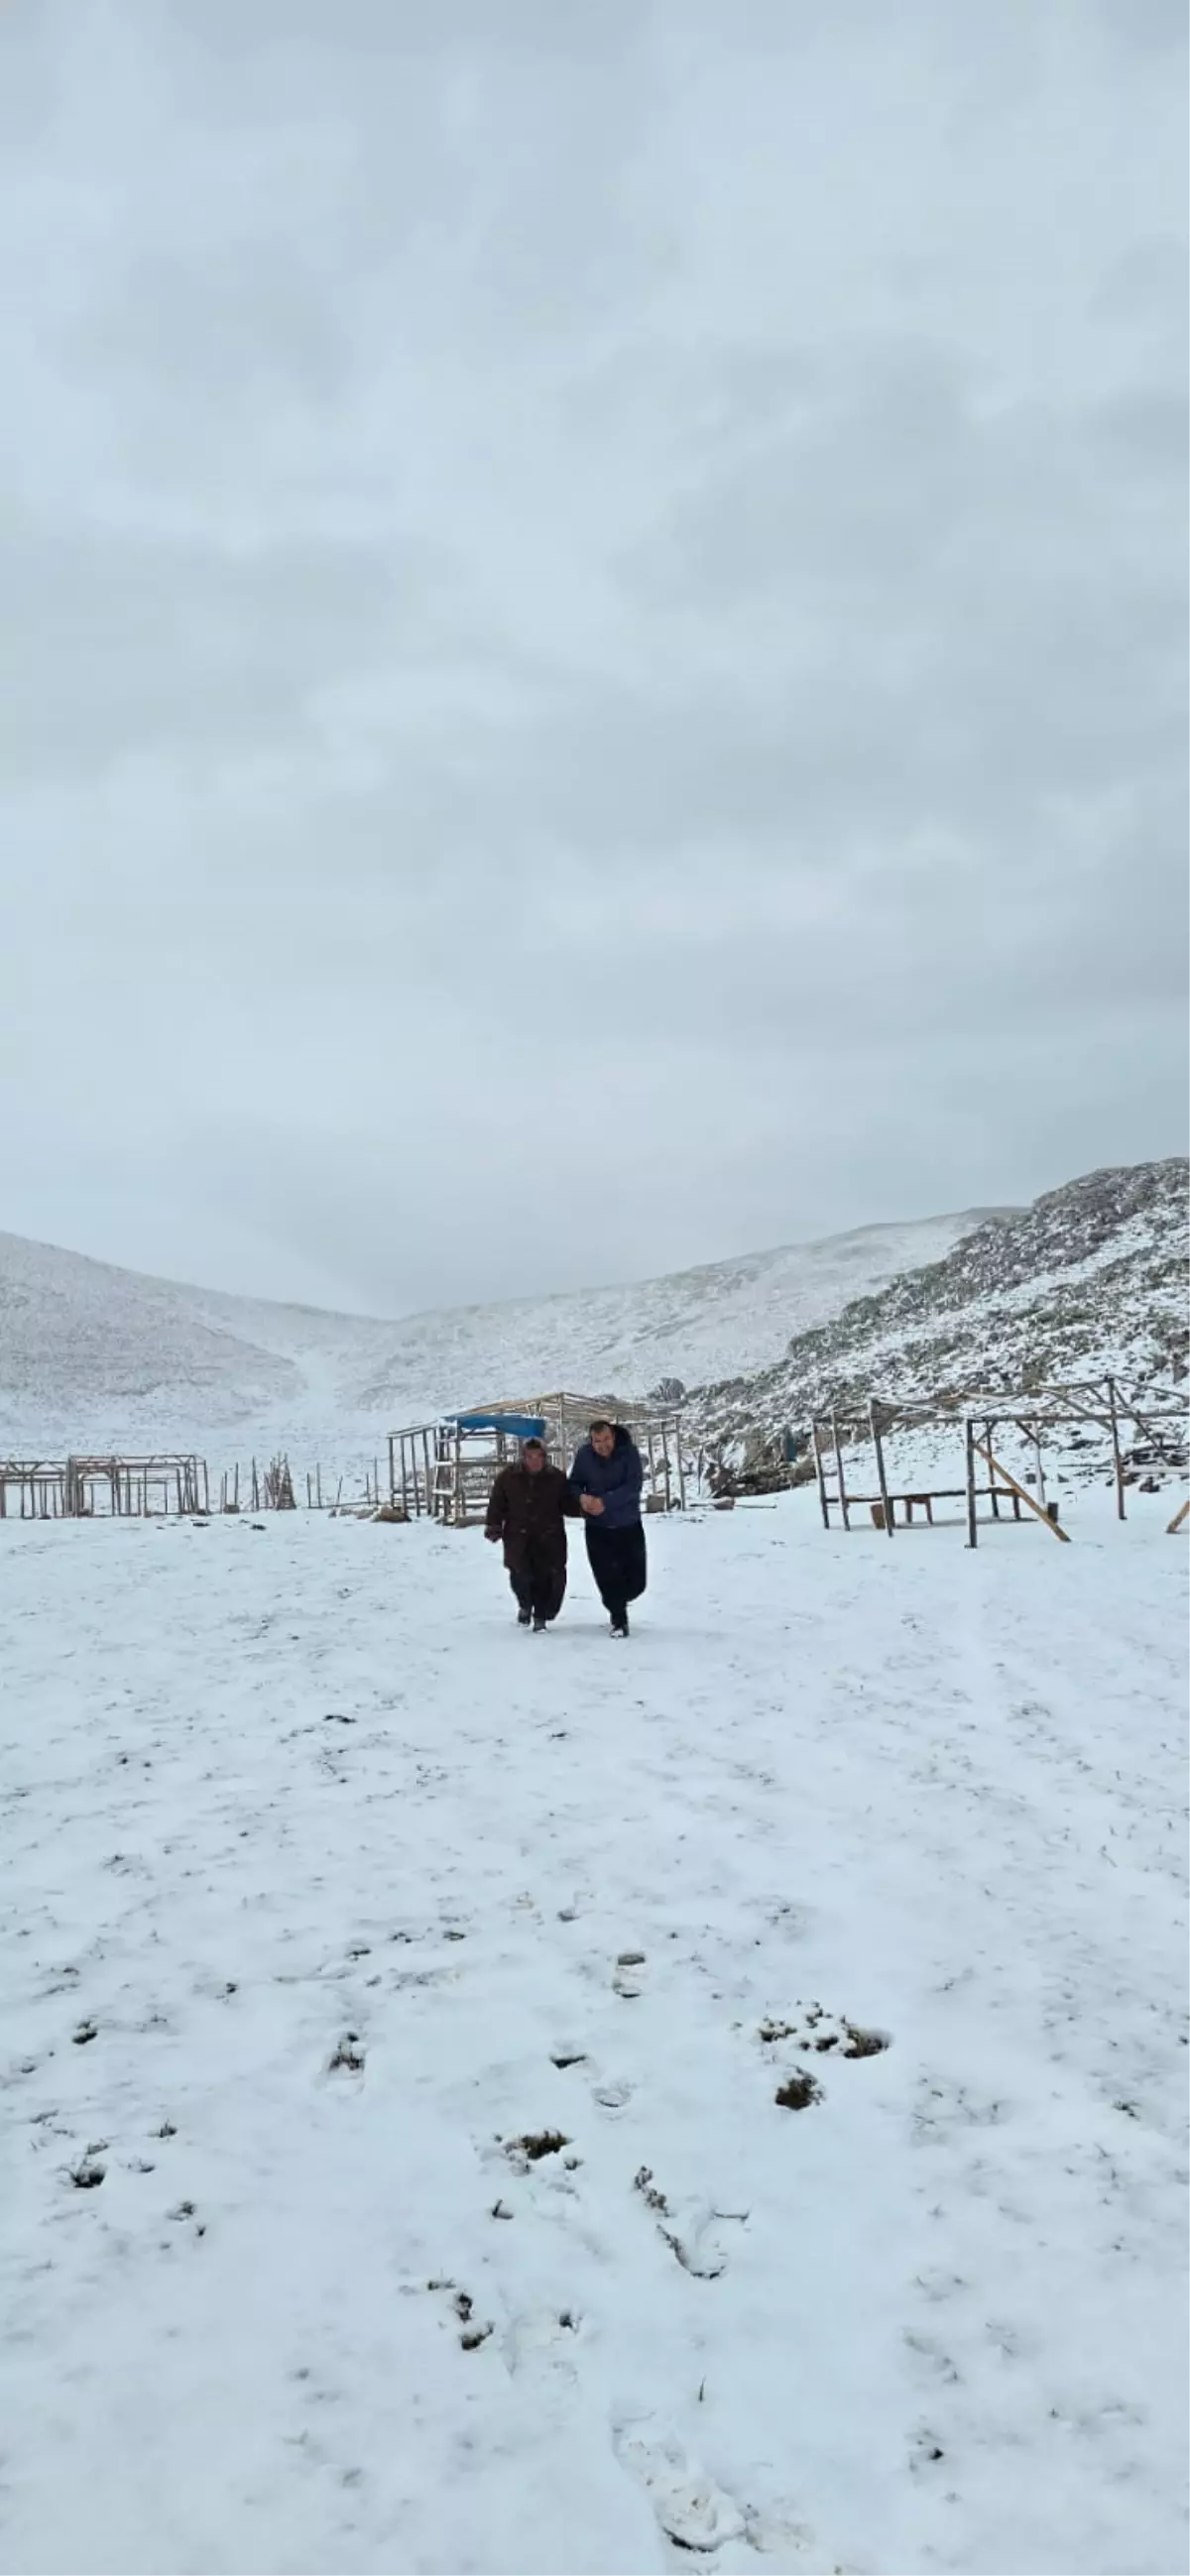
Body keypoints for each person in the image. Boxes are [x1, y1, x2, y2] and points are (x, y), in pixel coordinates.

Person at [485, 1437, 579, 1631]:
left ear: (545, 1457)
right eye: (530, 1456)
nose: (534, 1461)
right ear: (523, 1457)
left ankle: (541, 1616)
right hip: (518, 1536)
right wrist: (493, 1525)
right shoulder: (508, 1477)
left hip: (549, 1535)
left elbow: (567, 1504)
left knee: (549, 1577)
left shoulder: (556, 1478)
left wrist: (585, 1507)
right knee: (520, 1575)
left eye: (538, 1456)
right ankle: (525, 1605)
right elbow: (497, 1503)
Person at [568, 1419, 647, 1638]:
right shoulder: (584, 1455)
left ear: (613, 1436)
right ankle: (618, 1619)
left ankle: (619, 1599)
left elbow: (633, 1486)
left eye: (606, 1439)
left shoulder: (629, 1453)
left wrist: (605, 1502)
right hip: (598, 1528)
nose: (603, 1445)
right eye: (597, 1441)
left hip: (628, 1524)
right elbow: (573, 1483)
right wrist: (582, 1497)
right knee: (606, 1577)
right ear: (591, 1441)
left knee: (637, 1583)